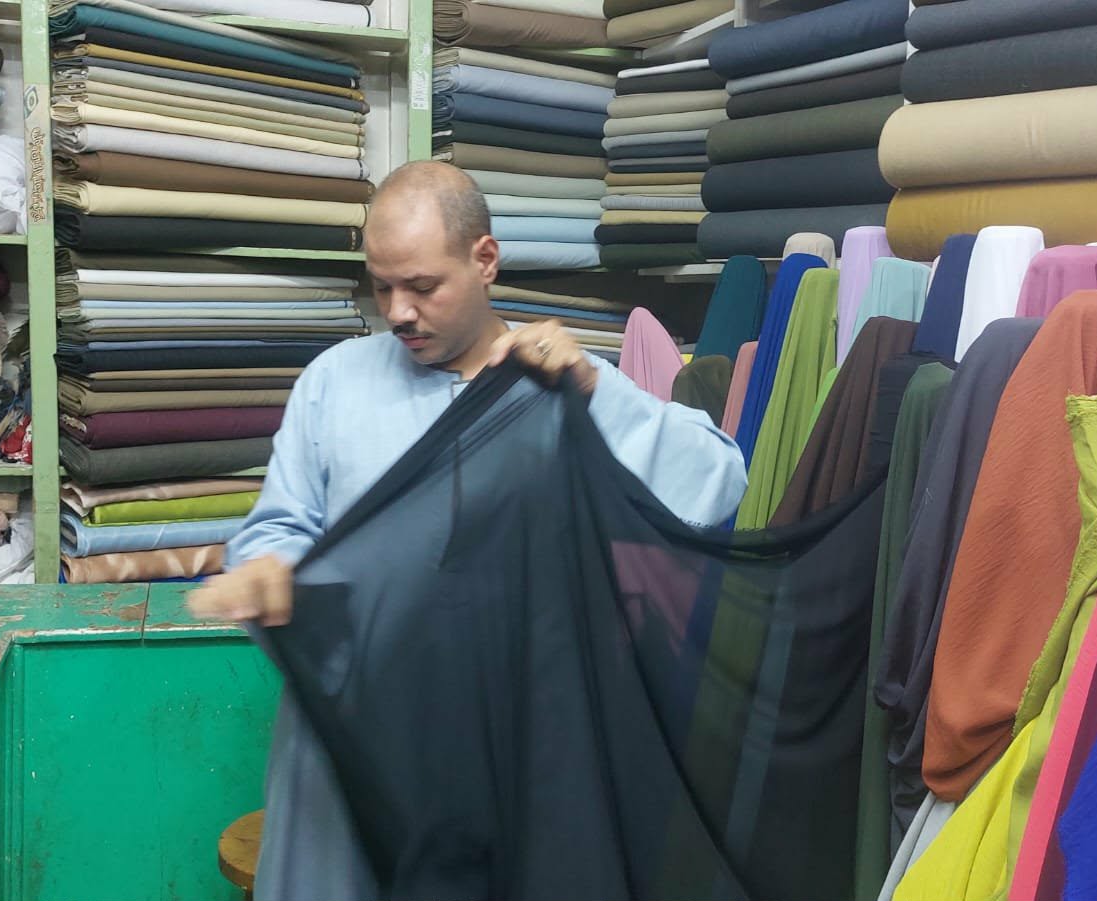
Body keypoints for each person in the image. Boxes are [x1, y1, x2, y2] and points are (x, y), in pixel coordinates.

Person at [188, 161, 747, 898]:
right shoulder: (335, 381)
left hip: (513, 744)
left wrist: (595, 391)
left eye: (422, 286)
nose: (398, 311)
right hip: (356, 744)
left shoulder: (554, 385)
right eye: (381, 286)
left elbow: (714, 483)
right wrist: (268, 570)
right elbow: (281, 524)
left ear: (485, 259)